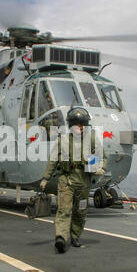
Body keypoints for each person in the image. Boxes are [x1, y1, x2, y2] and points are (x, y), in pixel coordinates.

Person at [40, 107, 107, 254]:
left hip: (84, 180)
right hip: (67, 179)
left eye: (82, 124)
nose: (80, 127)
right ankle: (61, 238)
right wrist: (45, 178)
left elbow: (102, 157)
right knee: (64, 210)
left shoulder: (93, 140)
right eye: (77, 124)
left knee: (80, 211)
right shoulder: (62, 140)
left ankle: (75, 235)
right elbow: (53, 160)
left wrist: (101, 168)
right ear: (71, 125)